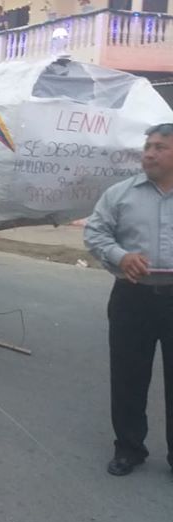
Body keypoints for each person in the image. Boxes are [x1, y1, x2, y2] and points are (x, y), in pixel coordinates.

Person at [84, 123, 173, 477]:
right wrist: (121, 257)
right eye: (148, 146)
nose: (149, 153)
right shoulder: (120, 194)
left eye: (160, 147)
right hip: (132, 297)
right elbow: (95, 232)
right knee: (128, 377)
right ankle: (129, 448)